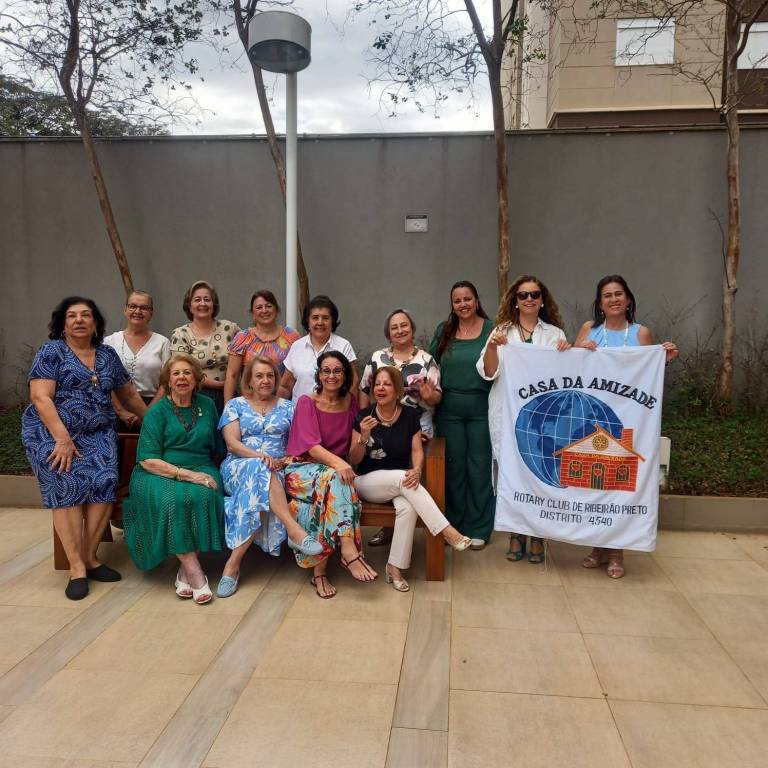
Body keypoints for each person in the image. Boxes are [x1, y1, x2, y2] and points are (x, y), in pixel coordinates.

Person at [22, 296, 147, 600]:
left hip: (97, 433)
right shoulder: (52, 352)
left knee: (105, 480)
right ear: (63, 324)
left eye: (86, 315)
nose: (79, 320)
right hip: (51, 432)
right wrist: (62, 439)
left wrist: (154, 424)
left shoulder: (106, 355)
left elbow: (128, 395)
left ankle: (90, 558)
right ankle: (76, 567)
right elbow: (40, 397)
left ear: (95, 323)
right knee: (66, 481)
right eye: (72, 316)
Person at [574, 274, 679, 578]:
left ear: (628, 299)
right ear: (600, 303)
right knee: (595, 484)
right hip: (595, 420)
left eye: (619, 294)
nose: (614, 299)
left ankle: (617, 551)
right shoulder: (589, 329)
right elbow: (573, 370)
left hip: (629, 421)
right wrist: (580, 350)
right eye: (607, 295)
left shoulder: (641, 333)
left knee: (619, 485)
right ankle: (598, 545)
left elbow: (648, 375)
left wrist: (665, 359)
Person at [350, 366, 471, 592]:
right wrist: (364, 437)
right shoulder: (363, 416)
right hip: (366, 482)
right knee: (401, 478)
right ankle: (447, 530)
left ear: (398, 390)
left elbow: (417, 450)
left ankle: (394, 568)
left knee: (407, 507)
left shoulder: (409, 416)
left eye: (387, 384)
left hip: (401, 484)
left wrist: (417, 470)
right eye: (377, 384)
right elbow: (353, 458)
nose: (380, 388)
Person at [478, 275, 570, 564]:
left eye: (534, 294)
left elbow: (566, 377)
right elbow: (488, 372)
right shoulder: (501, 332)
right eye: (523, 295)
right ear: (515, 301)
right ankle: (516, 535)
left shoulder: (555, 334)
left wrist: (567, 354)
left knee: (539, 473)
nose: (529, 299)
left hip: (543, 419)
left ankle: (538, 536)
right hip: (508, 415)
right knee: (512, 476)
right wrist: (492, 347)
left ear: (542, 300)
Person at [123, 353, 225, 604]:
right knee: (173, 501)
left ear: (197, 379)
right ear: (167, 381)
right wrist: (188, 475)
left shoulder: (207, 406)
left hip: (201, 466)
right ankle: (195, 572)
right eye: (176, 373)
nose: (182, 378)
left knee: (207, 496)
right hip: (157, 471)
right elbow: (147, 459)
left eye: (187, 373)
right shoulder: (157, 412)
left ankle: (183, 571)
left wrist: (206, 472)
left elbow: (217, 446)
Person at [217, 356, 323, 597]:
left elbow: (297, 444)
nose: (265, 380)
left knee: (263, 477)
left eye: (270, 376)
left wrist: (284, 460)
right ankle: (294, 530)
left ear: (276, 380)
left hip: (278, 468)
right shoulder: (235, 405)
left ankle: (232, 566)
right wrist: (260, 457)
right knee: (260, 467)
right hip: (238, 467)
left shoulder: (289, 407)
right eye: (259, 376)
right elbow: (232, 444)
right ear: (249, 381)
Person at [283, 350, 375, 599]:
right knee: (337, 479)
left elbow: (354, 457)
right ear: (319, 375)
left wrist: (363, 439)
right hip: (300, 470)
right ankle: (349, 549)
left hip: (331, 474)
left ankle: (320, 573)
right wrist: (339, 464)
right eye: (326, 370)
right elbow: (312, 447)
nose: (331, 376)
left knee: (332, 489)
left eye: (337, 371)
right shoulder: (307, 402)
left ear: (345, 375)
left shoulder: (351, 403)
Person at [360, 308, 442, 548]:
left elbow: (437, 397)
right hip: (381, 429)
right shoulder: (378, 357)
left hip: (418, 429)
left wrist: (428, 394)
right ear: (388, 333)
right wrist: (362, 420)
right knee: (387, 475)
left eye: (404, 325)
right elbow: (364, 390)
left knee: (412, 478)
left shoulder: (426, 360)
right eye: (394, 327)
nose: (400, 330)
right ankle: (389, 529)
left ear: (412, 329)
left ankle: (423, 530)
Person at [429, 280, 495, 550]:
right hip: (449, 409)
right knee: (453, 467)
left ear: (477, 301)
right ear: (452, 305)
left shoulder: (492, 330)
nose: (463, 304)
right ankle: (454, 525)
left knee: (479, 466)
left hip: (482, 408)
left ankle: (479, 527)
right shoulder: (444, 330)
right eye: (457, 301)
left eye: (467, 299)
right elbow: (431, 365)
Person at [170, 280, 239, 415]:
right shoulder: (181, 334)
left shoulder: (230, 328)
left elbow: (247, 355)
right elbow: (181, 370)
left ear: (214, 304)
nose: (203, 303)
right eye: (197, 300)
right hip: (195, 396)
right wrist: (222, 385)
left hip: (230, 395)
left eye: (207, 299)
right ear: (189, 306)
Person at [104, 290, 171, 428]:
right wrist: (121, 412)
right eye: (133, 306)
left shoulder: (162, 343)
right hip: (115, 408)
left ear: (151, 313)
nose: (137, 311)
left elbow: (166, 382)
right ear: (125, 309)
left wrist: (148, 413)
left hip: (154, 406)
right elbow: (104, 380)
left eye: (144, 308)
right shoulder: (110, 342)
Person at [223, 289, 300, 404]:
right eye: (259, 307)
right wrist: (227, 407)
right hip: (249, 405)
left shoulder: (291, 336)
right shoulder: (242, 338)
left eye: (268, 306)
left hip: (283, 404)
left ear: (276, 309)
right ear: (253, 313)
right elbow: (232, 375)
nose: (264, 310)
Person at [279, 295, 358, 403]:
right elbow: (286, 386)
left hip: (335, 410)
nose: (320, 322)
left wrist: (346, 408)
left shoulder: (343, 346)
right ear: (308, 321)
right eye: (315, 318)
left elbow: (353, 383)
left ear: (332, 321)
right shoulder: (297, 347)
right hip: (300, 410)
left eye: (325, 318)